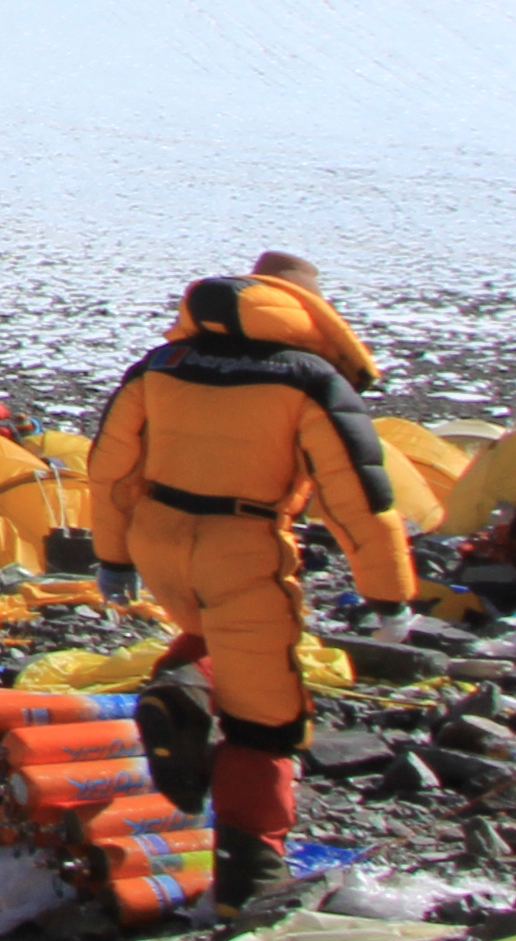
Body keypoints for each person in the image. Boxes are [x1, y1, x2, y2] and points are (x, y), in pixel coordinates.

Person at [85, 250, 417, 906]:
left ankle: (182, 684)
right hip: (241, 542)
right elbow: (355, 499)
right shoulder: (310, 380)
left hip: (159, 533)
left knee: (211, 632)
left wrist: (113, 556)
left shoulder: (161, 364)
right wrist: (390, 594)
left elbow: (110, 468)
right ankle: (251, 872)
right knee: (264, 717)